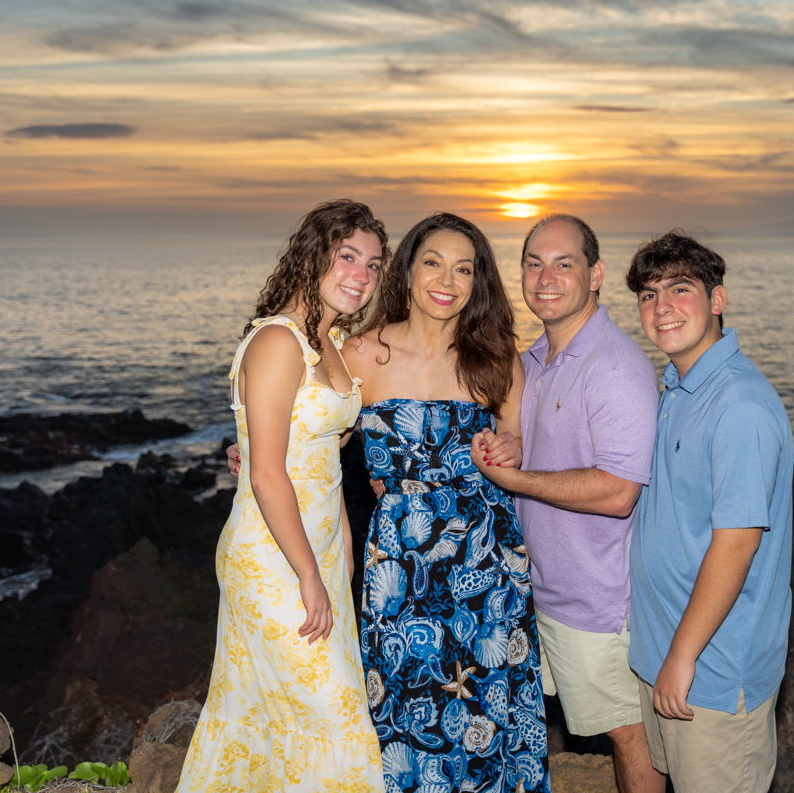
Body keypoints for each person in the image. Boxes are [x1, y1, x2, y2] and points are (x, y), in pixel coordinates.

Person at [178, 200, 388, 793]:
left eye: (373, 264)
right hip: (273, 560)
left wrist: (343, 540)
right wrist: (309, 575)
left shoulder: (331, 342)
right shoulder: (278, 341)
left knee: (262, 720)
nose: (361, 275)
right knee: (333, 717)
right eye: (347, 256)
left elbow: (324, 458)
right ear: (311, 256)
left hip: (315, 547)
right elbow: (268, 475)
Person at [342, 213, 550, 793]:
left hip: (486, 564)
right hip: (400, 565)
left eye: (464, 268)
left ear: (477, 281)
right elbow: (313, 440)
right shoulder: (360, 356)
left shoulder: (495, 358)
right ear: (406, 269)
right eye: (433, 261)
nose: (447, 279)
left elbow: (517, 444)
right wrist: (253, 445)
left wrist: (508, 447)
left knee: (487, 707)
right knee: (407, 710)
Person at [470, 214, 663, 793]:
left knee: (628, 733)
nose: (545, 277)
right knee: (567, 727)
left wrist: (518, 481)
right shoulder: (533, 361)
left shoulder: (615, 366)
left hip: (598, 599)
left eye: (564, 263)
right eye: (533, 263)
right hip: (543, 587)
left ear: (596, 274)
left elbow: (618, 490)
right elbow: (532, 440)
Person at [625, 232, 794, 793]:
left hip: (713, 672)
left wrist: (682, 655)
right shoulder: (679, 386)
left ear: (717, 300)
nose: (662, 307)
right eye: (649, 296)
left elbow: (737, 543)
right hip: (670, 657)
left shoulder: (739, 404)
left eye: (680, 289)